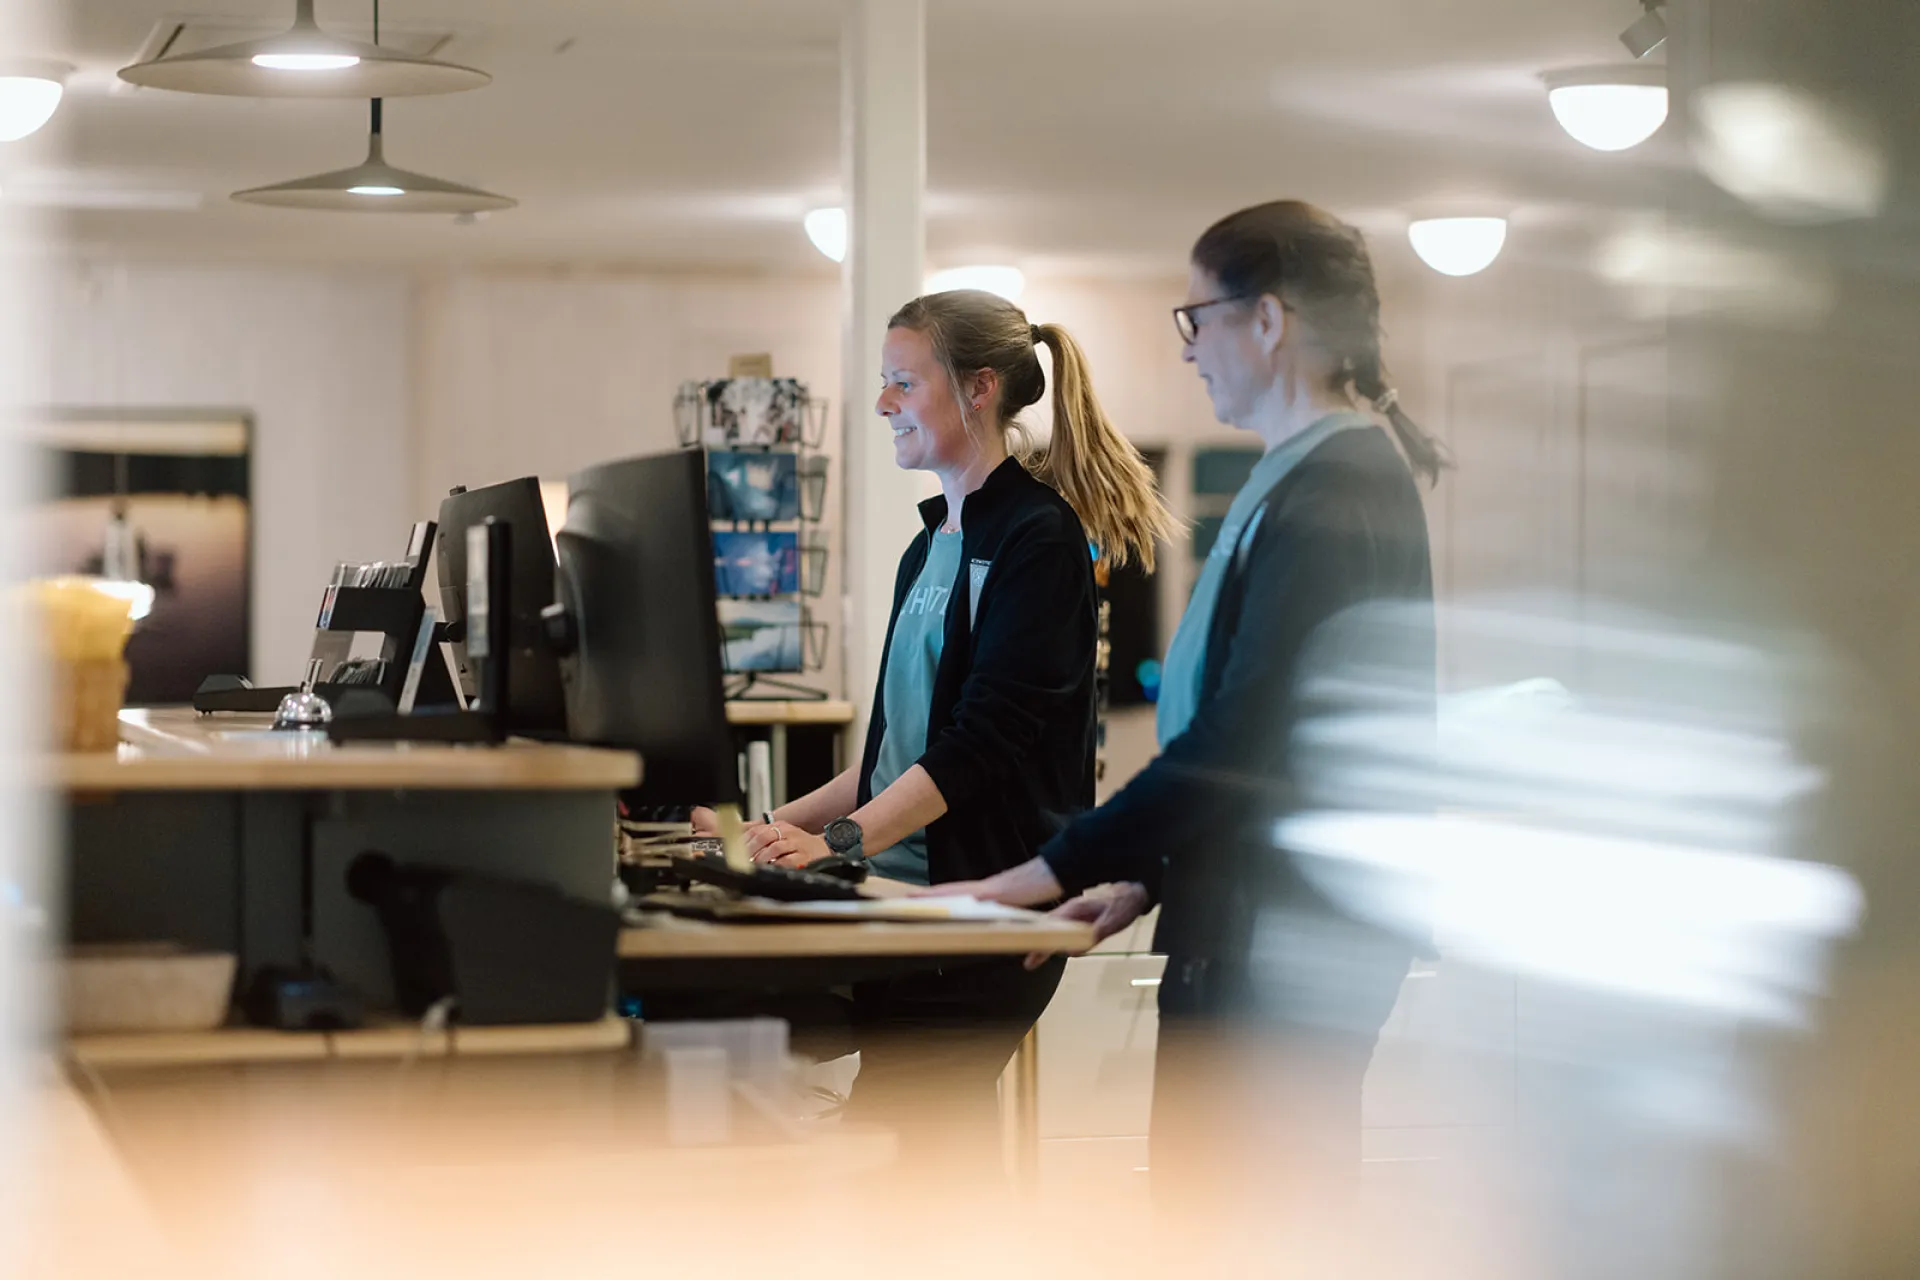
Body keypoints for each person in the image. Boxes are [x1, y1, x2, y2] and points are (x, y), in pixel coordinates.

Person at [940, 201, 1442, 1266]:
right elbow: (1266, 752)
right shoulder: (1308, 475)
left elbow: (1245, 737)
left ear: (1269, 321)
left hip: (1290, 948)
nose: (1191, 347)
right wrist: (1145, 876)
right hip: (1252, 924)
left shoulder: (1338, 487)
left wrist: (1039, 869)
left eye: (1198, 317)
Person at [695, 287, 1174, 1174]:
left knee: (908, 1167)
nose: (883, 404)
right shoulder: (929, 546)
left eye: (901, 383)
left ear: (978, 387)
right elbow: (889, 754)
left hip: (977, 924)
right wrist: (772, 829)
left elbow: (979, 744)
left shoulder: (1039, 540)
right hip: (900, 911)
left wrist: (836, 840)